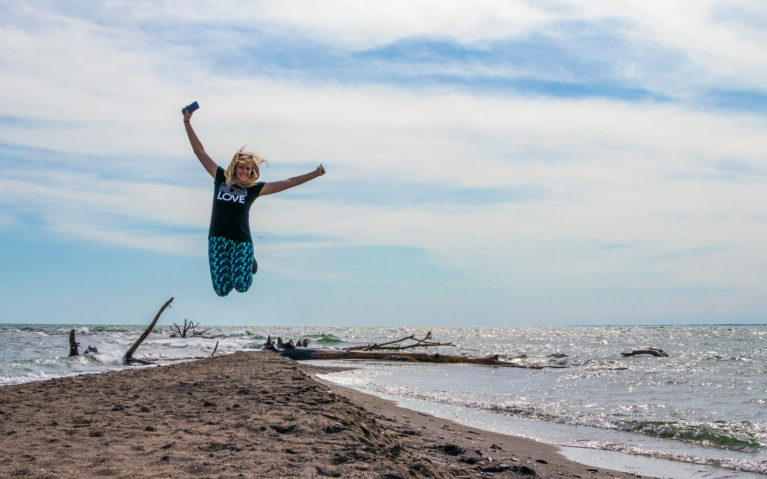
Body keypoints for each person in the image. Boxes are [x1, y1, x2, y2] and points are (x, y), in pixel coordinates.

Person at [183, 106, 325, 297]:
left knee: (241, 286)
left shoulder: (254, 189)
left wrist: (315, 174)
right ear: (235, 168)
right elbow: (199, 151)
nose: (244, 171)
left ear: (252, 171)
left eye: (248, 169)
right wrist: (187, 122)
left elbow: (288, 182)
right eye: (241, 167)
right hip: (217, 239)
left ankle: (249, 261)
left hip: (241, 241)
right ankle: (244, 262)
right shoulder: (220, 178)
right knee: (222, 291)